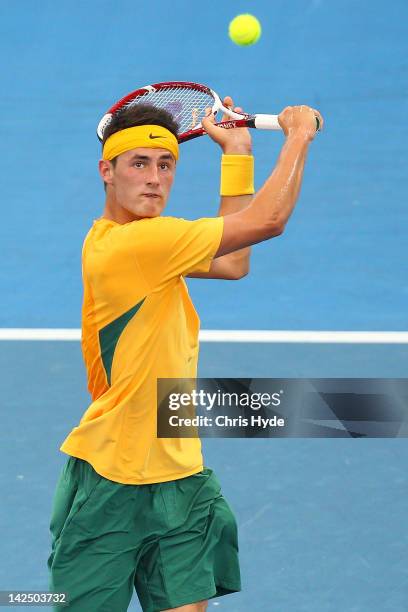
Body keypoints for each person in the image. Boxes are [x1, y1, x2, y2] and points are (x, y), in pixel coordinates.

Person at [47, 96, 323, 612]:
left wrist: (238, 151)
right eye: (139, 164)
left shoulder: (145, 241)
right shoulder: (137, 246)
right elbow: (268, 221)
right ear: (107, 171)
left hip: (180, 474)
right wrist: (298, 136)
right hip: (112, 480)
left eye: (166, 164)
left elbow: (233, 262)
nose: (155, 178)